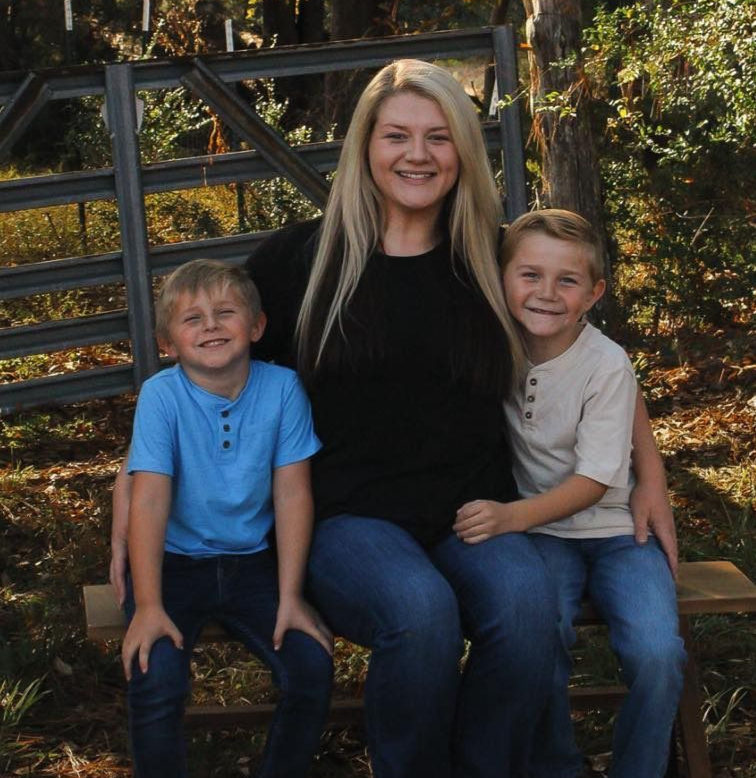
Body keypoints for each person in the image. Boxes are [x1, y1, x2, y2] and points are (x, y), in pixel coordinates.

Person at [111, 59, 676, 778]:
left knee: (529, 606)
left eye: (438, 137)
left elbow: (589, 359)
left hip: (476, 511)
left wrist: (649, 475)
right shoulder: (305, 261)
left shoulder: (492, 258)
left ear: (462, 151)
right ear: (365, 147)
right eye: (397, 136)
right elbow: (199, 362)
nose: (417, 155)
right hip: (349, 521)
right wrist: (131, 486)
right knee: (422, 611)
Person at [454, 209, 686, 778]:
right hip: (543, 540)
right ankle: (557, 765)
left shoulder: (605, 365)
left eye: (568, 280)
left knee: (658, 652)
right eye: (529, 275)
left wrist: (510, 517)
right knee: (538, 634)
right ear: (502, 276)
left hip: (616, 533)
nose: (546, 294)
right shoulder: (493, 340)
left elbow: (596, 481)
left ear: (594, 293)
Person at [120, 259, 334, 778]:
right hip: (172, 565)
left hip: (255, 565)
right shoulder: (161, 396)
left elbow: (292, 493)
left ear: (257, 327)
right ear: (168, 342)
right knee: (155, 673)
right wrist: (147, 603)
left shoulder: (282, 389)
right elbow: (147, 499)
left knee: (312, 666)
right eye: (191, 319)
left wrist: (290, 595)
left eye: (225, 312)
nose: (210, 325)